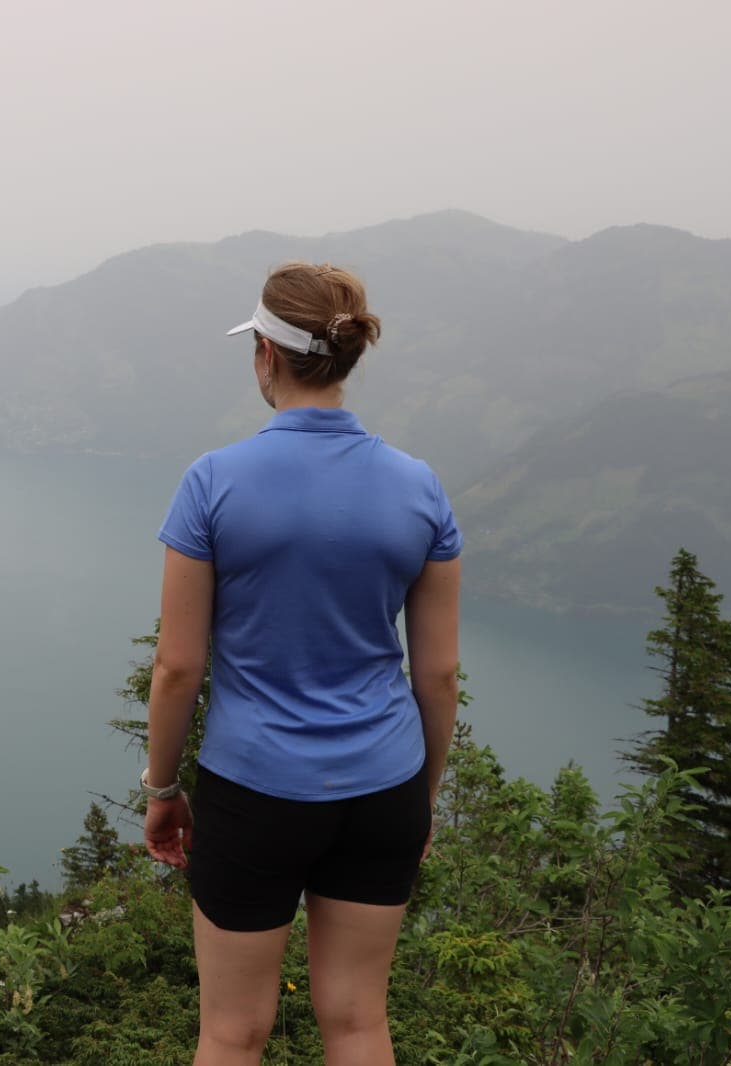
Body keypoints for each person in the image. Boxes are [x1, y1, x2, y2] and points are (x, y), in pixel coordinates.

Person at [140, 262, 462, 1066]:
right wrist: (419, 799)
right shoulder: (418, 487)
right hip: (383, 787)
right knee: (357, 1021)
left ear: (265, 355)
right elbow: (438, 677)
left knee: (231, 1032)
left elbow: (178, 668)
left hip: (255, 792)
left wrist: (164, 790)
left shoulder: (213, 483)